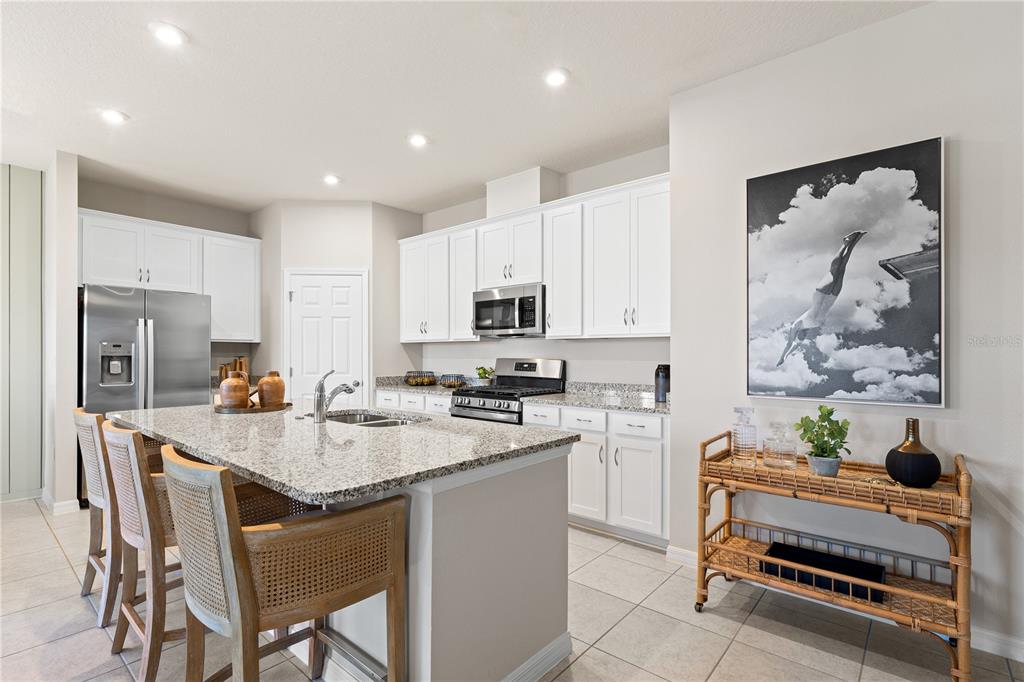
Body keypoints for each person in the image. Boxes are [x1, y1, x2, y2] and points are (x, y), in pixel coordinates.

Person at [776, 230, 867, 367]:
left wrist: (783, 357)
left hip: (821, 293)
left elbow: (790, 344)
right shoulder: (809, 329)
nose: (802, 338)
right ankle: (854, 241)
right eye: (803, 338)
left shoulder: (797, 325)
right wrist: (788, 356)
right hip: (833, 296)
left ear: (797, 334)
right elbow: (796, 345)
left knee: (834, 269)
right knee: (843, 268)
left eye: (800, 338)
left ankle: (844, 244)